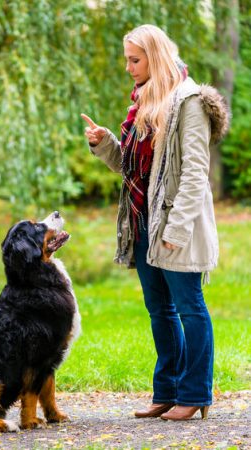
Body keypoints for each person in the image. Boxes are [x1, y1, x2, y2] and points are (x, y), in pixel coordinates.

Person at [81, 24, 229, 421]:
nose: (129, 67)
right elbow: (131, 168)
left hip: (176, 225)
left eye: (135, 59)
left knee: (189, 306)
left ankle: (196, 393)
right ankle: (167, 391)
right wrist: (104, 143)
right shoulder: (144, 103)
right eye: (127, 59)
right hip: (142, 221)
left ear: (155, 56)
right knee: (159, 310)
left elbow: (196, 172)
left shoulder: (189, 101)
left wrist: (176, 229)